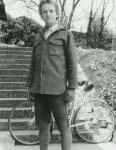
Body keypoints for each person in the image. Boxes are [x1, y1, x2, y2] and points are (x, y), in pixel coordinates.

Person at [26, 0, 77, 150]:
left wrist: (71, 88)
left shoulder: (66, 35)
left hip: (58, 91)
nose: (47, 14)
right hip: (39, 90)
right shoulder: (37, 36)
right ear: (41, 15)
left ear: (57, 14)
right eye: (44, 11)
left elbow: (72, 63)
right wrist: (30, 86)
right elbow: (33, 64)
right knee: (43, 127)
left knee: (63, 127)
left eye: (51, 11)